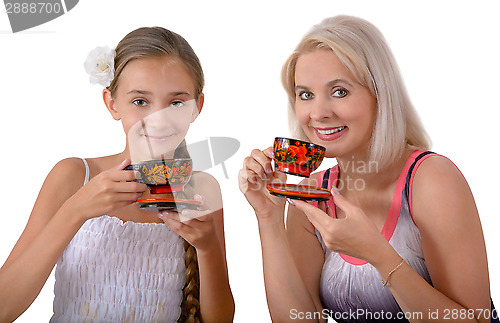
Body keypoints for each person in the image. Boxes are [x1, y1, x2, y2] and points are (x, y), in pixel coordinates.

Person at [239, 15, 495, 322]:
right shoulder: (311, 194)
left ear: (380, 95)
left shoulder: (431, 180)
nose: (318, 113)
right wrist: (268, 218)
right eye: (305, 95)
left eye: (340, 92)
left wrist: (379, 255)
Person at [0, 27, 234, 322]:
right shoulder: (74, 176)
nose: (158, 119)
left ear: (196, 107)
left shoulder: (201, 188)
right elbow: (4, 307)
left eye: (176, 102)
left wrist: (209, 246)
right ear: (112, 104)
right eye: (140, 101)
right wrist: (75, 210)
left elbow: (221, 319)